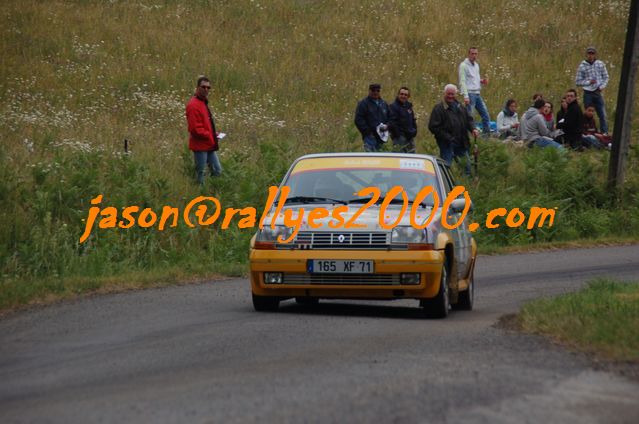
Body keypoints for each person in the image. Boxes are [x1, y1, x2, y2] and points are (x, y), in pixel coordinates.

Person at [428, 84, 479, 175]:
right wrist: (448, 137)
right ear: (444, 94)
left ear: (456, 94)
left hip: (461, 143)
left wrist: (473, 129)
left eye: (452, 94)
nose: (450, 96)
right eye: (448, 94)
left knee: (466, 168)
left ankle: (465, 186)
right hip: (447, 144)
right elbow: (433, 127)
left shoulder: (460, 106)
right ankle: (445, 186)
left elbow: (469, 119)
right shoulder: (439, 108)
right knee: (446, 169)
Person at [186, 76, 222, 184]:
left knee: (217, 170)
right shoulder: (193, 105)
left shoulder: (202, 103)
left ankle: (214, 192)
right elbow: (195, 129)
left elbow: (204, 125)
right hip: (200, 146)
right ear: (197, 88)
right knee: (200, 174)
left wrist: (213, 134)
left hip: (209, 144)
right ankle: (200, 196)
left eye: (208, 87)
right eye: (203, 87)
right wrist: (210, 135)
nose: (206, 89)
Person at [575, 46, 609, 134]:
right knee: (587, 114)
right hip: (587, 93)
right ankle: (586, 131)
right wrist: (589, 82)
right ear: (586, 54)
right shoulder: (582, 66)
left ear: (595, 54)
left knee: (602, 114)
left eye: (592, 53)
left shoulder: (600, 64)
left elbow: (606, 77)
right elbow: (578, 81)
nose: (590, 55)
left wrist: (601, 86)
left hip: (597, 92)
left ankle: (604, 133)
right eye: (589, 53)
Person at [459, 47, 491, 135]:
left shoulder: (476, 65)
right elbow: (462, 81)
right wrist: (465, 96)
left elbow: (473, 79)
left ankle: (486, 136)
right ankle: (468, 135)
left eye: (476, 54)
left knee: (485, 115)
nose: (474, 56)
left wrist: (481, 81)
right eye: (472, 54)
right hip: (470, 93)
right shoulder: (463, 65)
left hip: (477, 93)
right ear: (468, 54)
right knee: (470, 117)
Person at [354, 83, 390, 152]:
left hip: (382, 136)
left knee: (381, 158)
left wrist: (387, 126)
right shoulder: (363, 104)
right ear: (369, 91)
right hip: (370, 137)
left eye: (378, 91)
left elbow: (390, 117)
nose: (375, 92)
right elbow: (358, 119)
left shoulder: (383, 103)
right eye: (373, 90)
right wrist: (367, 132)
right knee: (370, 158)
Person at [388, 87, 417, 153]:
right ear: (398, 95)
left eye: (405, 95)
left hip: (410, 138)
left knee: (412, 159)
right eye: (401, 94)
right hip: (399, 138)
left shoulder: (409, 106)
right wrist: (398, 135)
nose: (403, 96)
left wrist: (414, 131)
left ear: (408, 96)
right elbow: (392, 122)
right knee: (398, 159)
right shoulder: (393, 107)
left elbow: (413, 120)